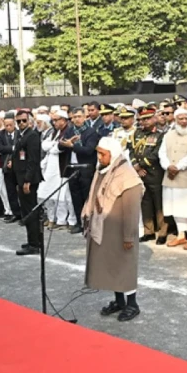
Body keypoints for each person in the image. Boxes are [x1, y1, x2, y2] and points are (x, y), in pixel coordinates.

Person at [82, 137, 144, 322]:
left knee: (125, 266)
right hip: (104, 228)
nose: (99, 157)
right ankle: (119, 301)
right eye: (98, 153)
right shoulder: (103, 170)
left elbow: (132, 211)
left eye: (103, 154)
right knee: (112, 266)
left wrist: (128, 236)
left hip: (121, 231)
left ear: (114, 154)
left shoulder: (128, 176)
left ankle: (132, 304)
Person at [158, 108, 187, 249]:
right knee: (175, 208)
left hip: (186, 177)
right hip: (170, 177)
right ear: (175, 120)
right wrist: (167, 166)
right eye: (181, 119)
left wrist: (177, 167)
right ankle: (181, 235)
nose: (184, 121)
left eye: (186, 118)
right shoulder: (168, 135)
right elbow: (162, 153)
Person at [131, 107, 167, 244]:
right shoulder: (137, 133)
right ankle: (148, 231)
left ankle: (162, 232)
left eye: (148, 118)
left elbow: (156, 154)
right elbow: (131, 150)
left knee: (159, 204)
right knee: (145, 203)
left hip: (154, 173)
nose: (145, 121)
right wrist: (135, 165)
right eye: (142, 119)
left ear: (154, 118)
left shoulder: (160, 135)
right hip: (140, 174)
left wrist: (141, 165)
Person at [62, 108, 99, 234]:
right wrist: (65, 144)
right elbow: (61, 144)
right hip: (72, 167)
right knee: (75, 197)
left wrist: (73, 146)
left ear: (84, 117)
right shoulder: (70, 131)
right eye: (74, 117)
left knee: (86, 196)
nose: (76, 119)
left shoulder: (91, 132)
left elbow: (89, 150)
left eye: (78, 116)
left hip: (85, 167)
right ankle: (79, 223)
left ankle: (89, 223)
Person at [13, 111, 43, 256]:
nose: (21, 123)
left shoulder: (32, 136)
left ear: (29, 121)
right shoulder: (21, 135)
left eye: (23, 120)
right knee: (27, 210)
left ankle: (34, 244)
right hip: (21, 177)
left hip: (28, 179)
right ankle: (33, 240)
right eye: (18, 121)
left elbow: (33, 160)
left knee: (30, 211)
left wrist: (27, 180)